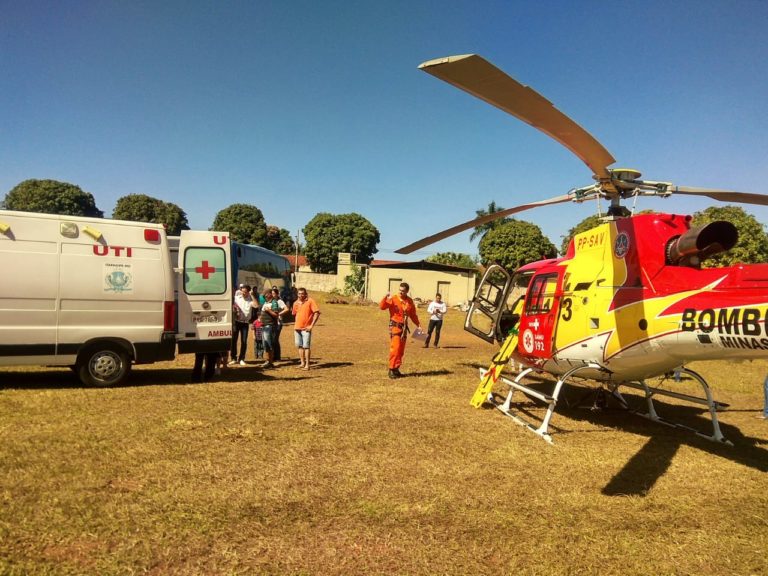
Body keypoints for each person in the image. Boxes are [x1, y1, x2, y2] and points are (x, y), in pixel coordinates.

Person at [379, 282, 421, 379]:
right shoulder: (393, 299)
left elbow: (413, 315)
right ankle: (391, 369)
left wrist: (418, 325)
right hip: (395, 327)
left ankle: (396, 368)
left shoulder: (409, 301)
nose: (401, 292)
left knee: (401, 350)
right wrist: (385, 297)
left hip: (404, 328)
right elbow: (382, 307)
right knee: (396, 348)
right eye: (400, 290)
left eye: (403, 291)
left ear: (407, 291)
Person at [292, 287, 320, 370]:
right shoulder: (295, 303)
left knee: (306, 346)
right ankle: (302, 363)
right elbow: (294, 313)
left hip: (306, 329)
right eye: (299, 293)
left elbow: (317, 313)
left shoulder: (310, 301)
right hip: (297, 328)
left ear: (305, 294)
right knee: (299, 346)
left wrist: (311, 325)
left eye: (302, 293)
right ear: (297, 294)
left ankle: (307, 365)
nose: (301, 295)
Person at [229, 284, 256, 366]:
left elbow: (256, 305)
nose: (243, 293)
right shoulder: (237, 298)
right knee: (234, 340)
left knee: (244, 341)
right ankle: (233, 358)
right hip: (236, 322)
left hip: (245, 323)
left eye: (245, 292)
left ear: (248, 292)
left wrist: (252, 295)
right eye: (242, 291)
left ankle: (241, 358)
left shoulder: (250, 300)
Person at [258, 289, 279, 368]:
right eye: (264, 294)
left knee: (269, 344)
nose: (265, 295)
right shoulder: (266, 302)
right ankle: (267, 361)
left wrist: (269, 310)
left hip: (269, 326)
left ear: (270, 294)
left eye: (266, 294)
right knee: (265, 344)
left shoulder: (274, 302)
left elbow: (276, 315)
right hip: (264, 326)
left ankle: (270, 362)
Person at [270, 287, 289, 360]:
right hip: (272, 322)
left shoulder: (279, 301)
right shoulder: (271, 301)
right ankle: (274, 355)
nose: (272, 295)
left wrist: (279, 314)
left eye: (274, 293)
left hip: (278, 323)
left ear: (277, 294)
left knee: (275, 339)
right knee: (272, 339)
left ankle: (277, 356)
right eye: (271, 293)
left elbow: (286, 309)